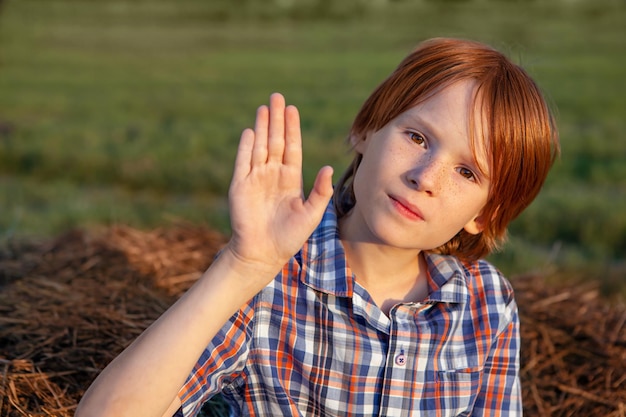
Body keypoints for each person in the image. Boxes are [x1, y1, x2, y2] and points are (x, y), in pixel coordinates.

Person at [76, 37, 559, 417]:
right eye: (416, 136)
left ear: (486, 214)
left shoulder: (487, 306)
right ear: (366, 130)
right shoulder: (272, 280)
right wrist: (243, 265)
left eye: (467, 172)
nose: (425, 177)